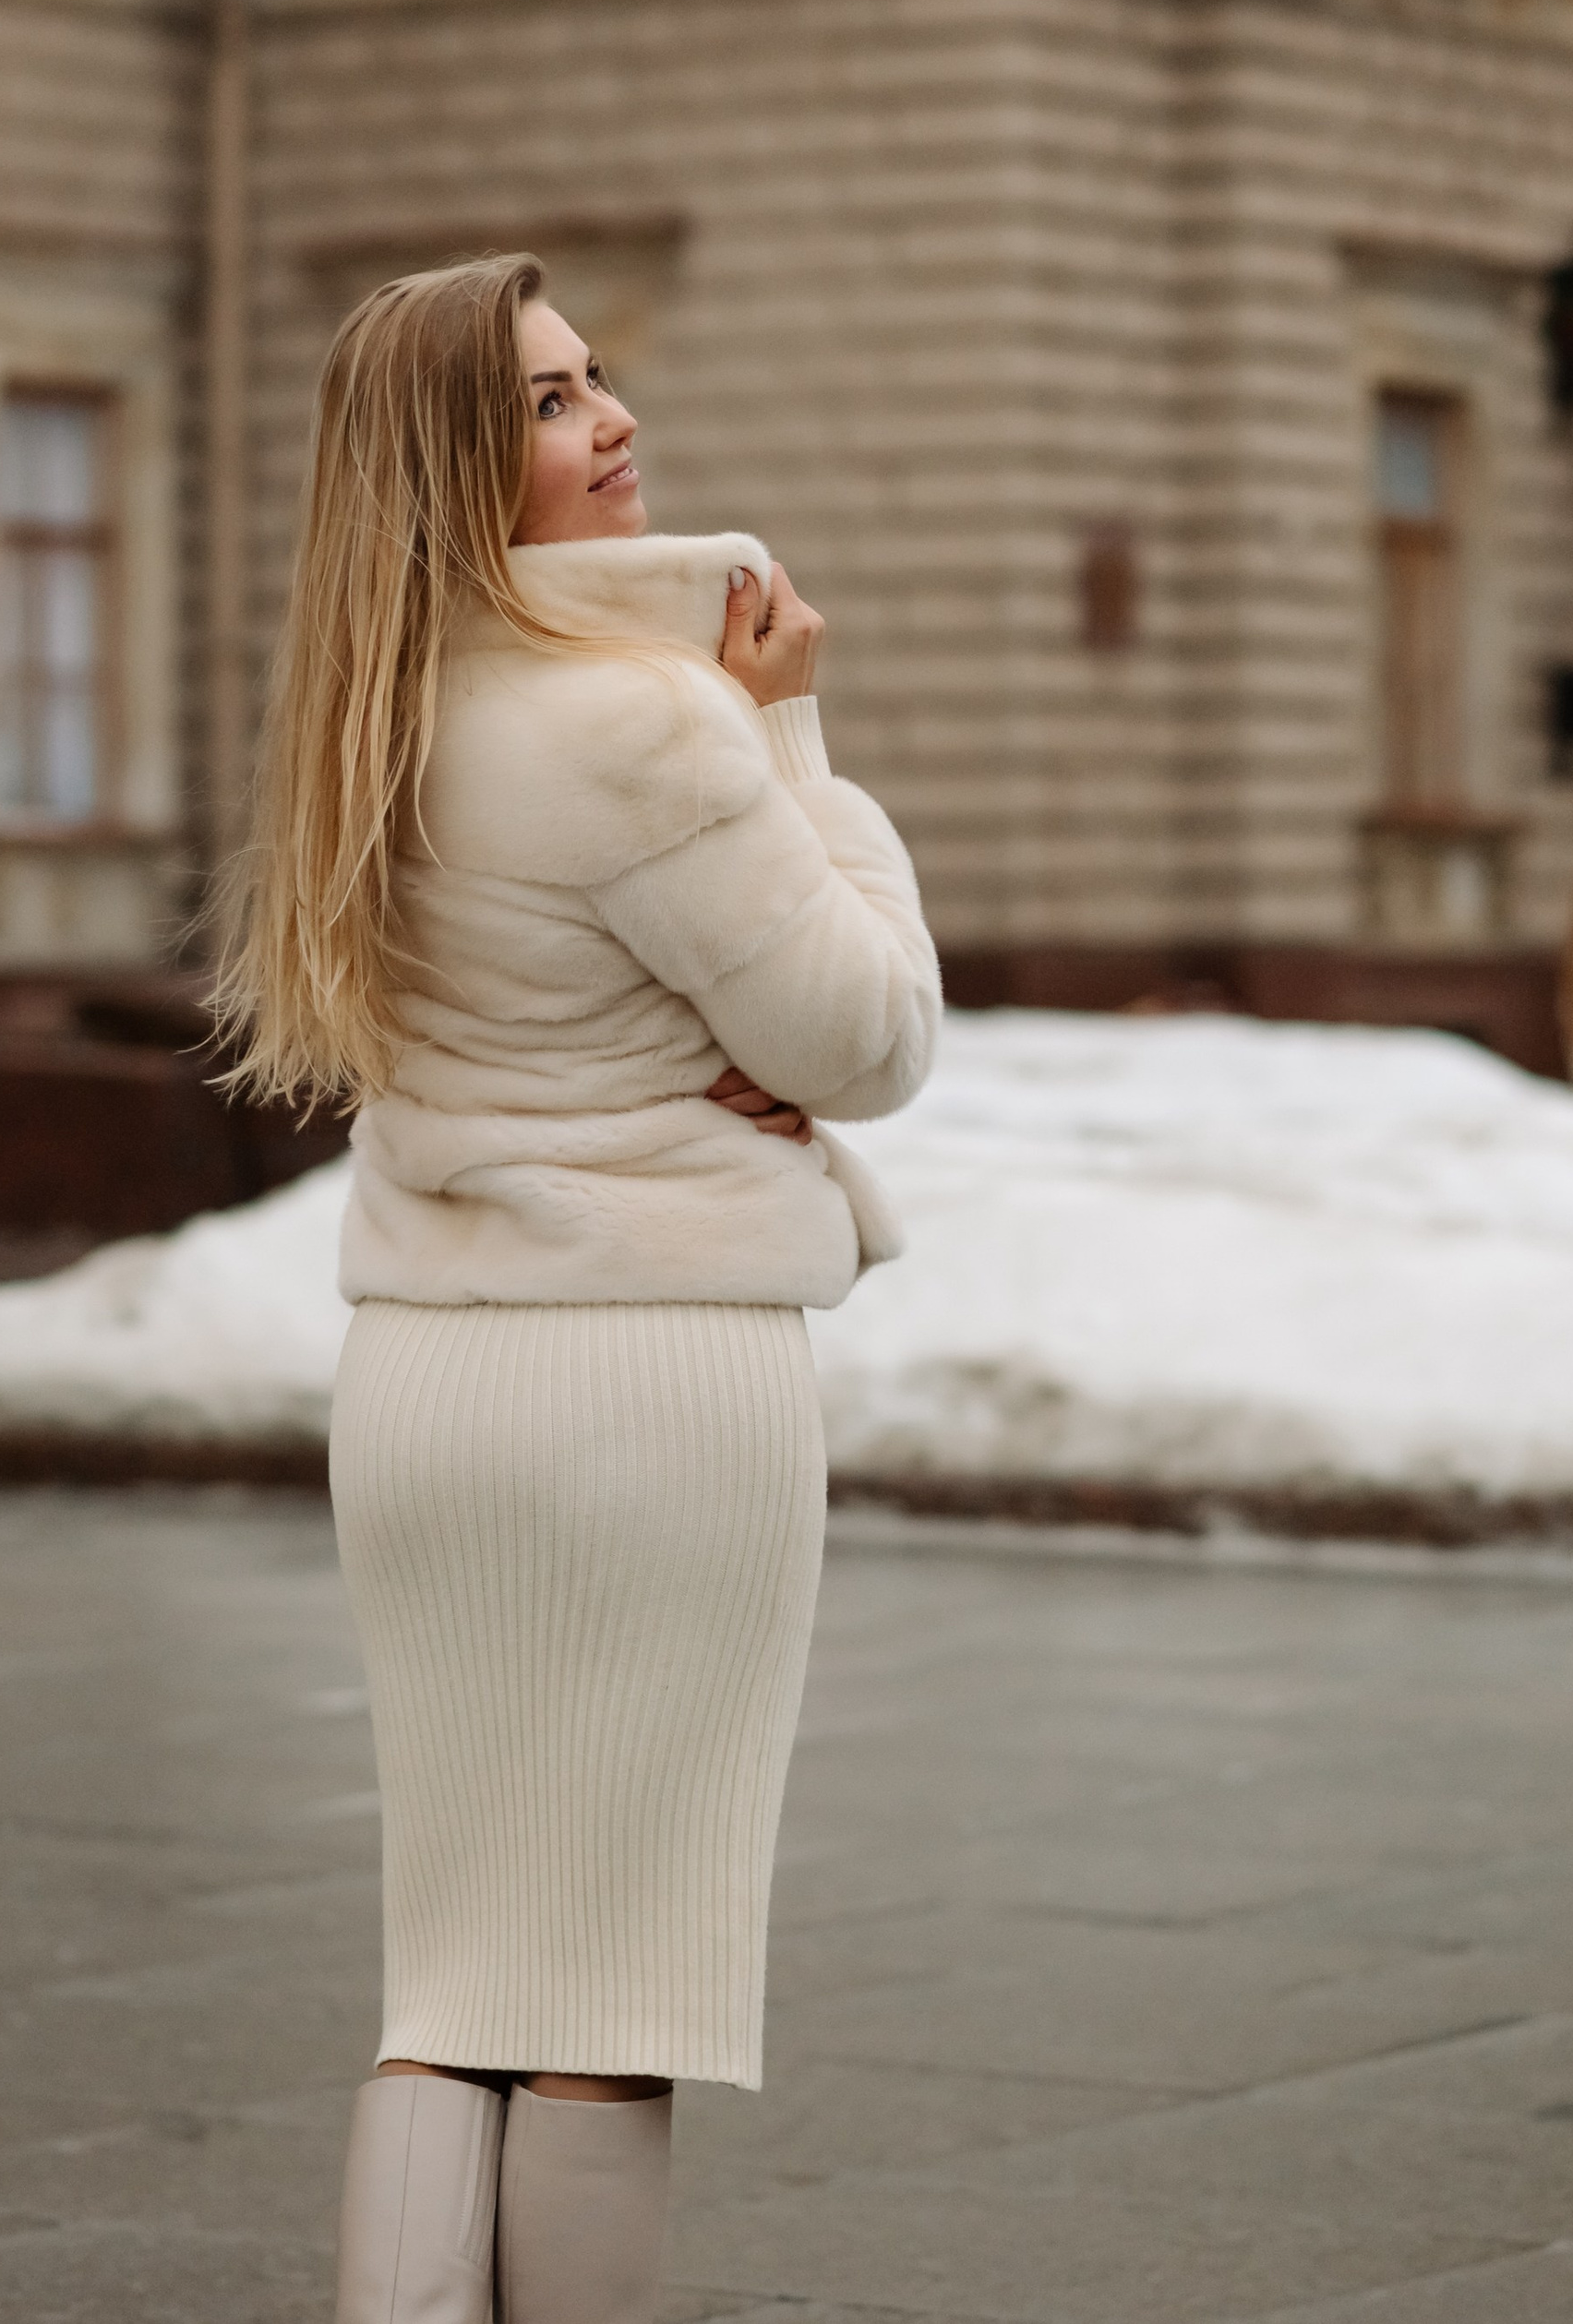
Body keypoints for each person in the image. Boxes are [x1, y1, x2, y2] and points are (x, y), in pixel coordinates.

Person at [217, 250, 939, 2324]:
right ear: (455, 459)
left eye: (593, 375)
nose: (606, 416)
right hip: (650, 1387)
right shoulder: (646, 728)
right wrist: (790, 732)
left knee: (449, 1972)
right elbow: (868, 1036)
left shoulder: (369, 718)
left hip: (430, 1394)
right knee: (616, 1981)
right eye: (544, 400)